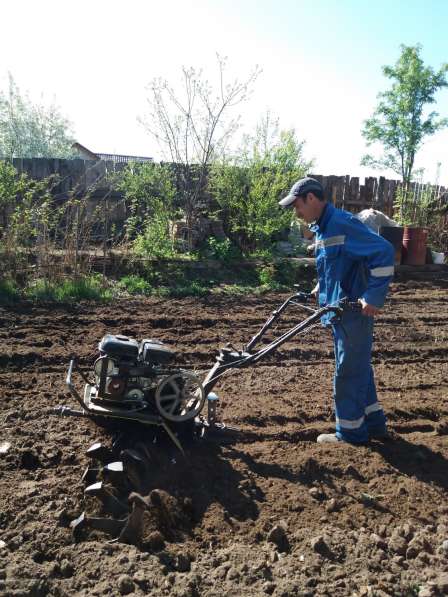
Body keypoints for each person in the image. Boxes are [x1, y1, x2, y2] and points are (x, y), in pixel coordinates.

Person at [279, 177, 395, 445]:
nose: (296, 213)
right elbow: (338, 264)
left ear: (310, 198)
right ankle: (375, 425)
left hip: (353, 313)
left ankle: (351, 434)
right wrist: (320, 286)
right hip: (338, 311)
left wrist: (373, 296)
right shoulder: (323, 227)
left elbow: (384, 251)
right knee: (359, 369)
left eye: (297, 205)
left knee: (347, 373)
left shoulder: (342, 223)